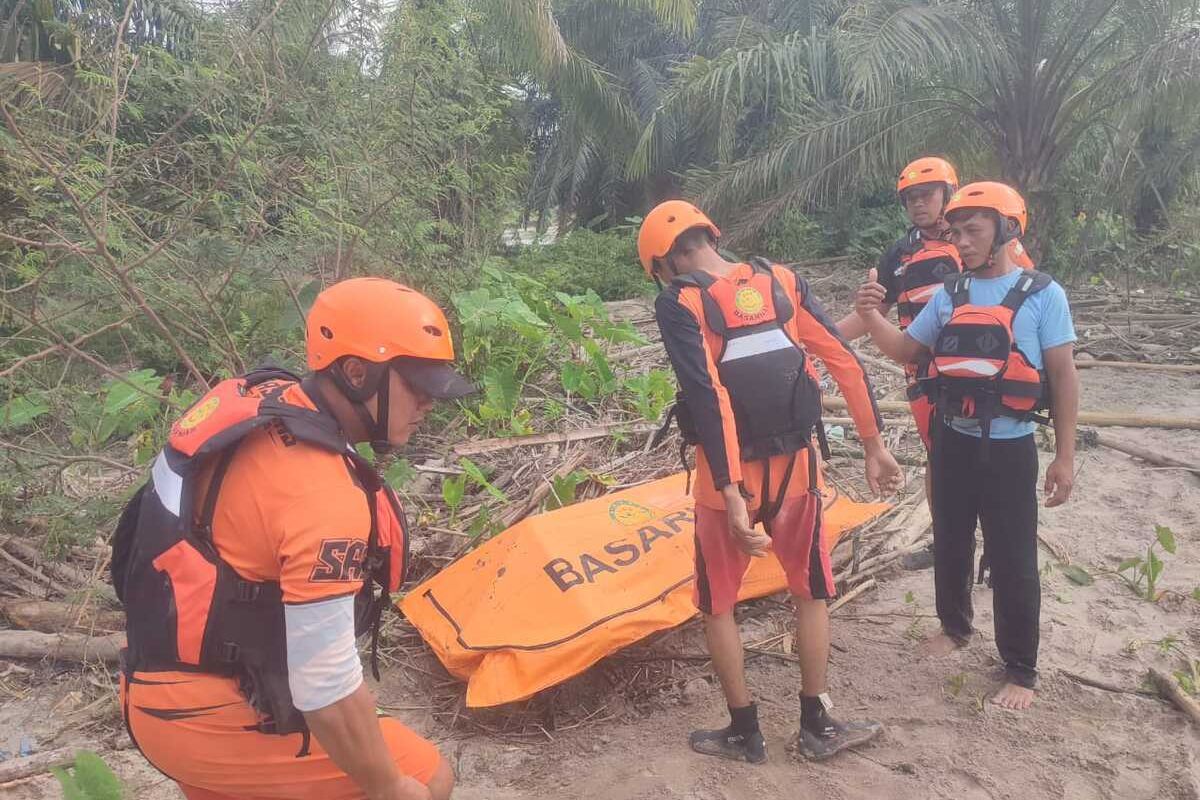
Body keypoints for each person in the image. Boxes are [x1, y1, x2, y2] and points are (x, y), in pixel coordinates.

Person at [113, 278, 473, 800]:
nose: (429, 404)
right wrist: (389, 785)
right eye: (417, 386)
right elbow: (324, 684)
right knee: (425, 778)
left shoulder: (261, 401)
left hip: (153, 690)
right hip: (211, 717)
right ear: (356, 372)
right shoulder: (321, 495)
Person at [639, 200, 903, 762]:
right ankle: (818, 725)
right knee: (810, 592)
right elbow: (842, 360)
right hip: (797, 468)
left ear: (663, 263)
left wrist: (732, 491)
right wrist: (874, 445)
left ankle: (744, 732)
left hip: (725, 480)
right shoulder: (781, 280)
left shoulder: (680, 300)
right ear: (711, 233)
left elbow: (708, 395)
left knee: (718, 605)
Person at [852, 182, 1079, 710]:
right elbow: (907, 349)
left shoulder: (1044, 293)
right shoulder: (950, 293)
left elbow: (1065, 378)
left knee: (1013, 556)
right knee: (951, 540)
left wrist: (1065, 458)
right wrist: (870, 317)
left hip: (1011, 446)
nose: (962, 240)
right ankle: (954, 628)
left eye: (973, 230)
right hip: (950, 438)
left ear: (1008, 230)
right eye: (956, 231)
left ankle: (1020, 669)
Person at [836, 156, 963, 452]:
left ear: (948, 193)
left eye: (926, 195)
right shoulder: (898, 254)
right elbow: (870, 315)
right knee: (938, 455)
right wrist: (821, 336)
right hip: (923, 370)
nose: (918, 204)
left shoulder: (976, 241)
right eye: (911, 198)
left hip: (973, 360)